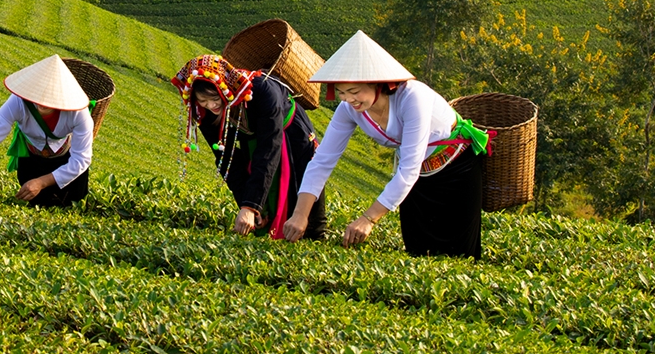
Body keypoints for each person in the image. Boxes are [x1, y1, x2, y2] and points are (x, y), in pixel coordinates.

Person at [285, 31, 489, 257]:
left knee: (460, 252)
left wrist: (368, 218)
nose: (349, 99)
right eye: (342, 93)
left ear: (376, 84)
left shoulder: (412, 97)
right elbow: (322, 160)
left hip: (457, 168)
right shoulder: (348, 110)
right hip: (418, 178)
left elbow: (408, 169)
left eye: (354, 91)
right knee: (418, 251)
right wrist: (300, 215)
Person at [173, 55, 327, 240]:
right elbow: (226, 159)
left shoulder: (262, 91)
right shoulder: (203, 112)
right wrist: (247, 204)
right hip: (252, 139)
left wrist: (251, 205)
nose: (211, 106)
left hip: (291, 134)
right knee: (261, 207)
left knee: (303, 183)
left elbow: (268, 150)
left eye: (214, 98)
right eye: (203, 101)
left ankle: (316, 237)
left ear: (224, 87)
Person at [0, 55, 93, 208]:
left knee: (71, 205)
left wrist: (41, 182)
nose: (42, 102)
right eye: (39, 94)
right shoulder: (18, 102)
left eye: (50, 97)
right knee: (35, 204)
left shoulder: (78, 113)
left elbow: (80, 160)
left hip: (66, 163)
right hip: (32, 159)